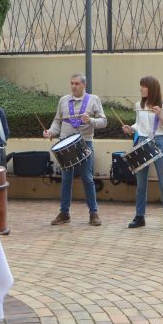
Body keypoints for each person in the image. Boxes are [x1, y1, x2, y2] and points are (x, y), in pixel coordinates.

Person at [44, 73, 107, 226]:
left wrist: (90, 120)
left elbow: (104, 121)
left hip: (84, 143)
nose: (73, 86)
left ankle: (93, 213)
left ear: (84, 85)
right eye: (71, 83)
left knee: (87, 178)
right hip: (65, 144)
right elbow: (57, 121)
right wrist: (51, 132)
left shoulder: (94, 99)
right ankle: (64, 213)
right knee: (66, 179)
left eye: (77, 83)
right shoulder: (63, 100)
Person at [122, 76, 163, 231]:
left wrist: (160, 116)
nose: (141, 89)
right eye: (141, 86)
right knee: (140, 184)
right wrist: (131, 128)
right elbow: (139, 124)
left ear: (152, 88)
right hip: (142, 142)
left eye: (144, 86)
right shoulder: (140, 104)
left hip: (158, 142)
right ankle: (139, 217)